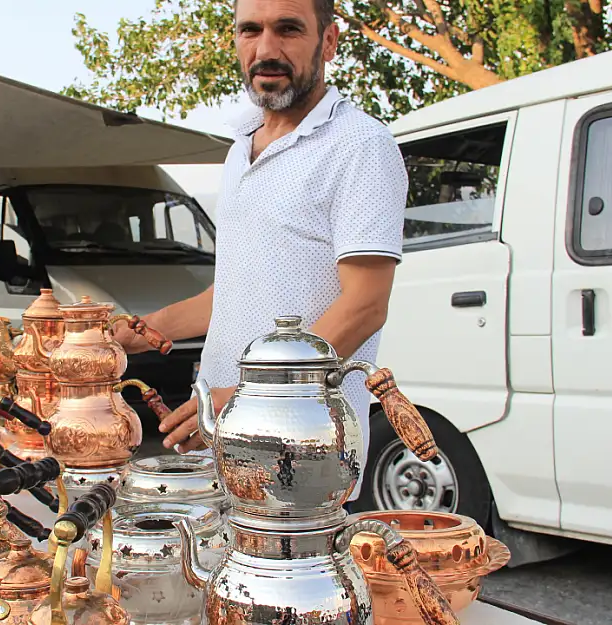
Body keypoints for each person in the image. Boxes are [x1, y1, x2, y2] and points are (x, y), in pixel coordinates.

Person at [113, 0, 408, 505]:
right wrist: (143, 330)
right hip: (223, 434)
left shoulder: (361, 146)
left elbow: (365, 304)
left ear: (329, 41)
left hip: (308, 448)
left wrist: (253, 403)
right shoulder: (240, 148)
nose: (266, 48)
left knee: (286, 583)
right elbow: (234, 289)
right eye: (250, 30)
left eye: (288, 29)